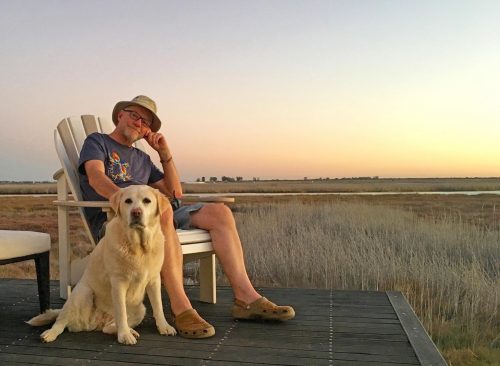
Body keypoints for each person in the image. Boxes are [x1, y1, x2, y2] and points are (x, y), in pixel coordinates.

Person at [78, 95, 295, 339]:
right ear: (120, 115)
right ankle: (181, 307)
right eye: (134, 115)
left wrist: (164, 153)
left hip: (155, 216)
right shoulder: (97, 142)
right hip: (118, 219)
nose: (139, 123)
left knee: (220, 213)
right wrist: (122, 202)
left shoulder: (143, 159)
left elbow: (174, 192)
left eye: (146, 122)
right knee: (164, 211)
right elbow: (96, 177)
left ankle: (246, 299)